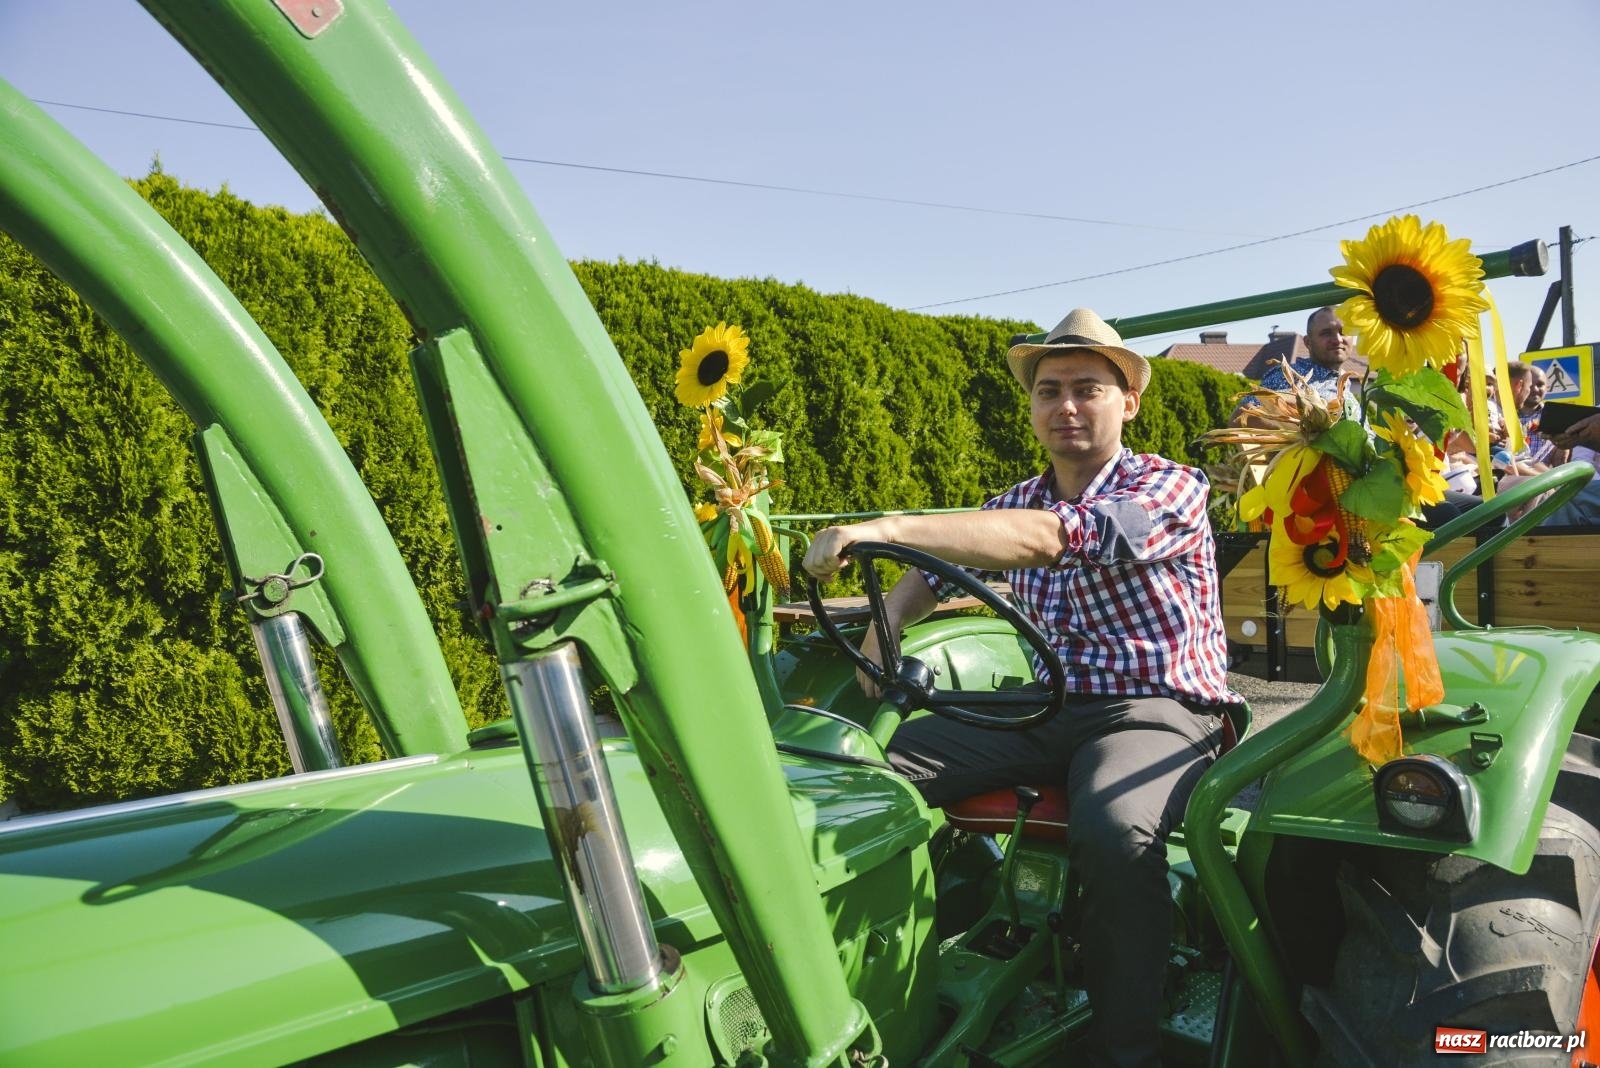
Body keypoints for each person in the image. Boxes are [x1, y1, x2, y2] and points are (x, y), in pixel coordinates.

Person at [802, 307, 1235, 1068]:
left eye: (1087, 389)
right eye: (1050, 391)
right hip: (1048, 704)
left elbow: (1055, 539)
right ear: (1031, 407)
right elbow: (936, 575)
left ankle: (1126, 1048)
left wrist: (888, 526)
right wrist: (888, 625)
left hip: (1157, 707)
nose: (1066, 406)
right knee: (862, 773)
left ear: (1127, 401)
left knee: (1115, 832)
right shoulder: (1013, 498)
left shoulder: (1169, 489)